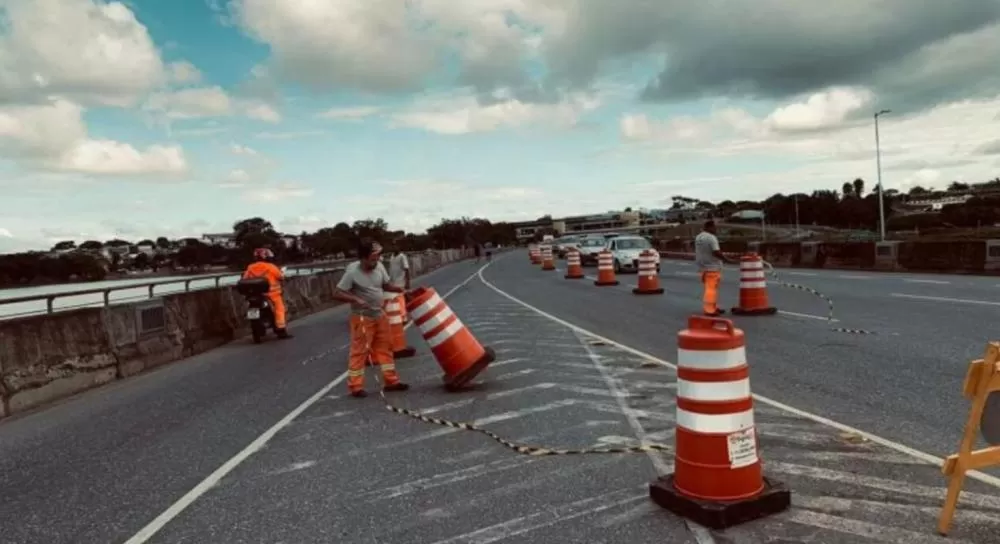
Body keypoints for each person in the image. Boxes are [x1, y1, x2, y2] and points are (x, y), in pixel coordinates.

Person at [333, 239, 410, 398]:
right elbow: (337, 293)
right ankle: (355, 386)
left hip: (379, 314)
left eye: (377, 258)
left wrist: (401, 290)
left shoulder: (380, 266)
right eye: (373, 259)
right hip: (362, 317)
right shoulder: (352, 272)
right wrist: (355, 299)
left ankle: (391, 381)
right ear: (363, 258)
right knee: (359, 351)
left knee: (386, 347)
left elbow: (386, 285)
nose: (376, 262)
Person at [242, 247, 293, 339]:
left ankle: (259, 329)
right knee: (280, 310)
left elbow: (245, 278)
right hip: (272, 294)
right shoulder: (271, 267)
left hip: (255, 294)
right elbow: (280, 277)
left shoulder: (250, 267)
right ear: (266, 257)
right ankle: (281, 330)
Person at [694, 220, 737, 317]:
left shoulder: (699, 237)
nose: (716, 229)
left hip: (703, 267)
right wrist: (727, 260)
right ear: (710, 227)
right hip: (712, 267)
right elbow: (716, 252)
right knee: (711, 289)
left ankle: (713, 307)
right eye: (714, 227)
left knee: (710, 288)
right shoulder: (711, 238)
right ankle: (710, 310)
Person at [385, 242, 411, 322]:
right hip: (393, 281)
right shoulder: (392, 256)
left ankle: (404, 317)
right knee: (399, 300)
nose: (394, 248)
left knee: (401, 299)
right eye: (392, 246)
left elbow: (406, 269)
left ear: (399, 247)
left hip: (401, 281)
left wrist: (407, 282)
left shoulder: (402, 256)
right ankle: (404, 313)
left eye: (395, 246)